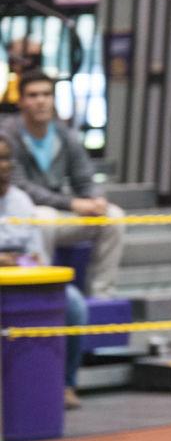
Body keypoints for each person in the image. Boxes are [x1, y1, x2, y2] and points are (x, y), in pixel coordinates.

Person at [0, 70, 124, 297]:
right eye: (33, 95)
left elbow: (84, 177)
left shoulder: (64, 133)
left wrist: (96, 199)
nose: (41, 101)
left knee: (113, 216)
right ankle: (43, 291)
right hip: (28, 212)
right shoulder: (7, 136)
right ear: (21, 101)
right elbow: (19, 187)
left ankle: (102, 295)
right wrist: (73, 204)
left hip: (63, 212)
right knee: (42, 217)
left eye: (47, 94)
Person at [0, 134, 87, 409]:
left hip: (23, 282)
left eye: (5, 158)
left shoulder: (22, 202)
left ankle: (65, 385)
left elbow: (37, 257)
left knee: (73, 303)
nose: (1, 165)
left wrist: (19, 263)